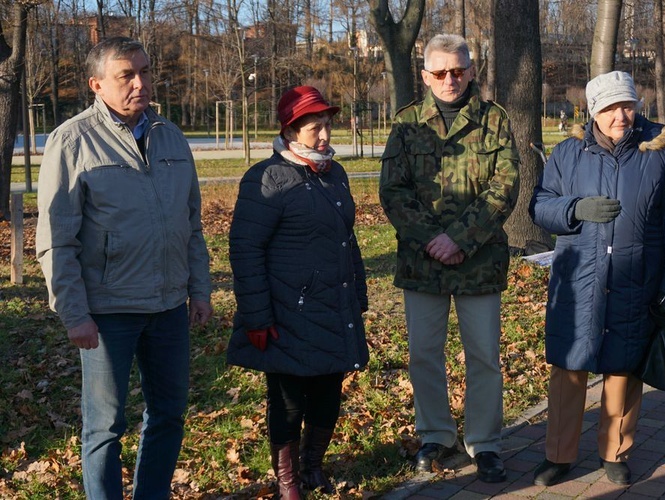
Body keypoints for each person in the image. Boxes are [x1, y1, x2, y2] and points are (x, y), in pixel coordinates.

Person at [35, 37, 213, 499]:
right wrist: (74, 313)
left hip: (169, 304)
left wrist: (200, 288)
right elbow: (56, 240)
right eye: (127, 76)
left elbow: (191, 223)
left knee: (170, 413)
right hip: (108, 311)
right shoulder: (71, 141)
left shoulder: (170, 135)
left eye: (146, 72)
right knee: (105, 428)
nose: (141, 83)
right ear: (96, 85)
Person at [529, 70, 665, 487]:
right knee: (569, 367)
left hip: (637, 278)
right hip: (578, 277)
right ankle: (559, 455)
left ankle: (615, 451)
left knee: (624, 364)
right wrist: (575, 209)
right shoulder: (568, 153)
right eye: (610, 107)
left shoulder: (657, 153)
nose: (621, 115)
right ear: (593, 111)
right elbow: (540, 206)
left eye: (628, 105)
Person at [379, 33, 520, 483]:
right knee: (423, 354)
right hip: (423, 262)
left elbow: (505, 186)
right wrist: (434, 239)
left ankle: (485, 442)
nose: (449, 80)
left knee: (483, 356)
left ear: (472, 70)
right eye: (439, 72)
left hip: (478, 260)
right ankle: (436, 435)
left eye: (458, 70)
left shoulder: (493, 120)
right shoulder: (406, 123)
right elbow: (393, 191)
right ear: (425, 75)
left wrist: (459, 238)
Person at [226, 86, 369, 499]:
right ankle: (287, 481)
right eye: (313, 128)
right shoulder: (267, 178)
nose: (324, 136)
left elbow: (346, 239)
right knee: (288, 401)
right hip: (286, 311)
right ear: (290, 131)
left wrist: (356, 295)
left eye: (327, 125)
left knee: (328, 394)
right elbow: (245, 249)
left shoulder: (334, 174)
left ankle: (312, 467)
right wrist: (256, 316)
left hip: (332, 306)